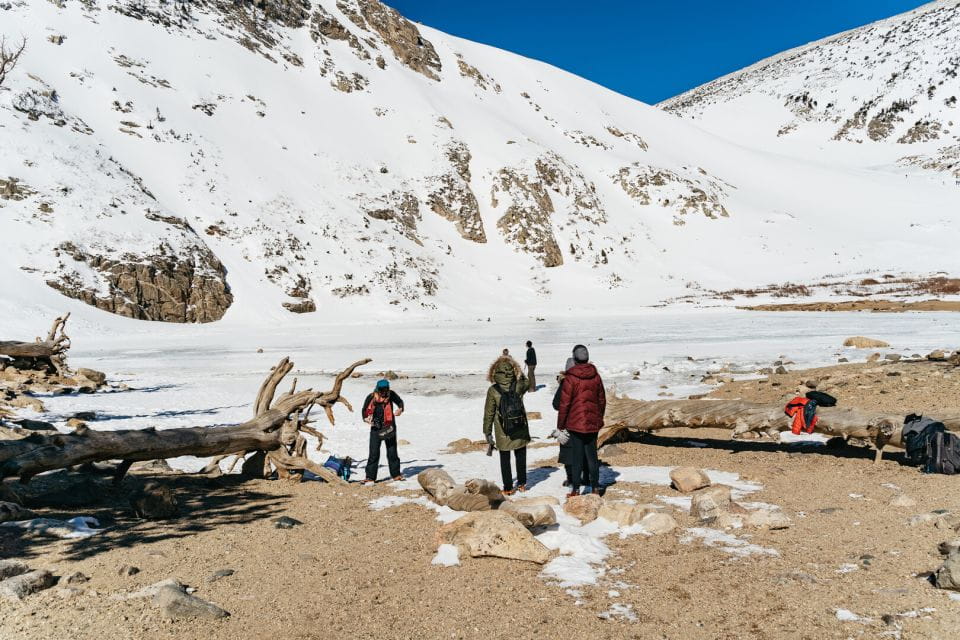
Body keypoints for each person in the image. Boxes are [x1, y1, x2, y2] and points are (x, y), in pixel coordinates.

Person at [556, 345, 605, 497]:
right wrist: (599, 417)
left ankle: (576, 490)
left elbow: (564, 404)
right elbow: (602, 400)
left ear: (575, 359)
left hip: (575, 424)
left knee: (577, 457)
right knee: (592, 456)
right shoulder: (596, 376)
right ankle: (595, 488)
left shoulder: (570, 378)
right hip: (592, 423)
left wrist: (561, 425)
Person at [483, 355, 530, 495]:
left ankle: (508, 488)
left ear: (495, 372)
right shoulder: (518, 385)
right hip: (520, 426)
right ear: (512, 370)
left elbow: (489, 413)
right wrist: (519, 370)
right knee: (520, 455)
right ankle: (522, 484)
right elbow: (528, 383)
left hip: (503, 430)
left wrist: (487, 432)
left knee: (505, 459)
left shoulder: (493, 390)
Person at [553, 358, 589, 488]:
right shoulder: (589, 379)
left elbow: (556, 404)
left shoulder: (566, 382)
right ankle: (586, 477)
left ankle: (571, 479)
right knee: (585, 449)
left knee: (568, 450)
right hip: (586, 421)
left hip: (569, 422)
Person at [362, 379, 404, 484]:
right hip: (375, 429)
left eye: (386, 390)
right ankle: (370, 477)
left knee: (392, 452)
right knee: (374, 453)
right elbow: (364, 410)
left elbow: (400, 402)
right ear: (377, 389)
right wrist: (366, 418)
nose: (384, 392)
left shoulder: (391, 394)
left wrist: (400, 409)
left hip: (389, 427)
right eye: (382, 390)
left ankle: (396, 475)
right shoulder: (371, 397)